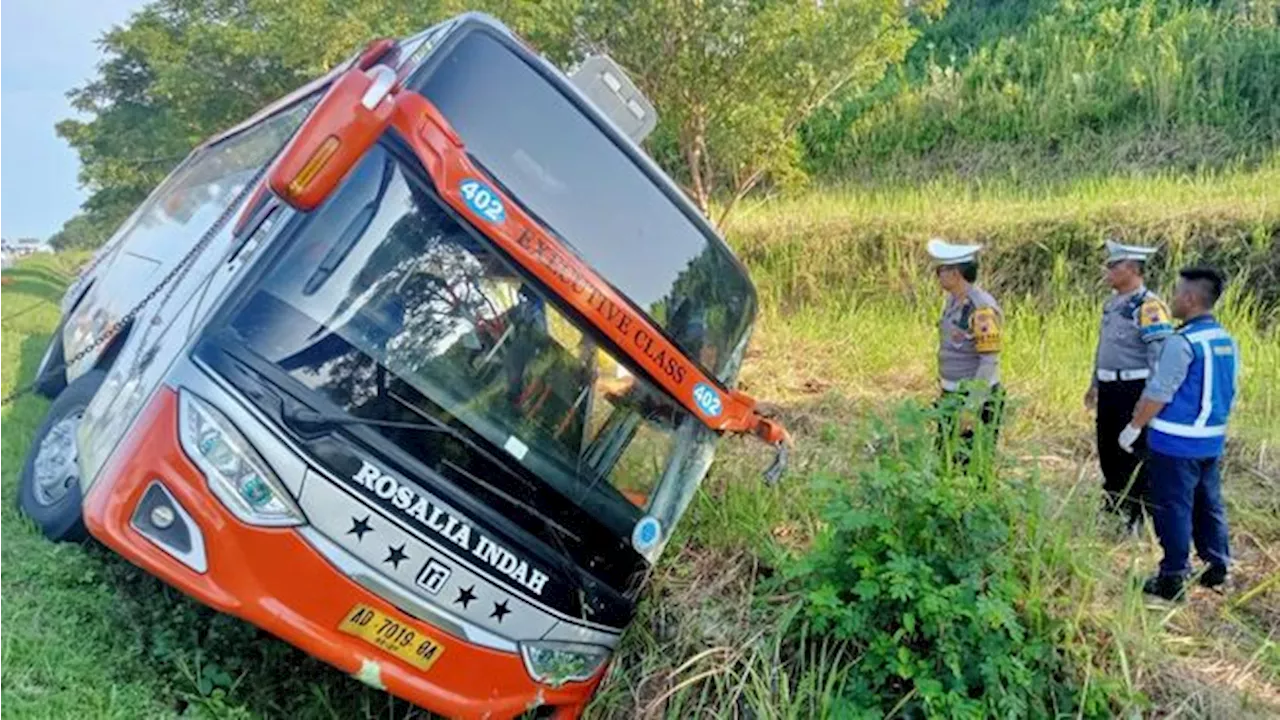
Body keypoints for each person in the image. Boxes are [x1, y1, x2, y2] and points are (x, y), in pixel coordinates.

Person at [1120, 266, 1238, 600]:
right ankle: (1217, 566)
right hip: (1211, 439)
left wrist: (1134, 427)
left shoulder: (1181, 342)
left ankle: (1172, 577)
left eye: (1176, 293)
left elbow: (1159, 392)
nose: (1172, 299)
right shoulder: (1224, 339)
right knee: (1208, 502)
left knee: (1173, 507)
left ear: (1189, 299)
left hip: (1175, 441)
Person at [1085, 240, 1173, 533]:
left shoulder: (1149, 306)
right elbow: (1103, 348)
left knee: (1134, 451)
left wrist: (1149, 397)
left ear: (1133, 269)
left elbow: (1160, 356)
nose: (1108, 271)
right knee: (1108, 449)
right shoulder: (1112, 304)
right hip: (1110, 388)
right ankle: (1114, 507)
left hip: (1134, 388)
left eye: (1114, 265)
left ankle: (1137, 515)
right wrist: (1094, 383)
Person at [928, 238, 1005, 465]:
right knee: (945, 461)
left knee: (971, 466)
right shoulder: (953, 302)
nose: (938, 275)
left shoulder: (981, 309)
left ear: (955, 273)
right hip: (952, 395)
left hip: (973, 399)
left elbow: (989, 360)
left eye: (940, 270)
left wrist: (971, 407)